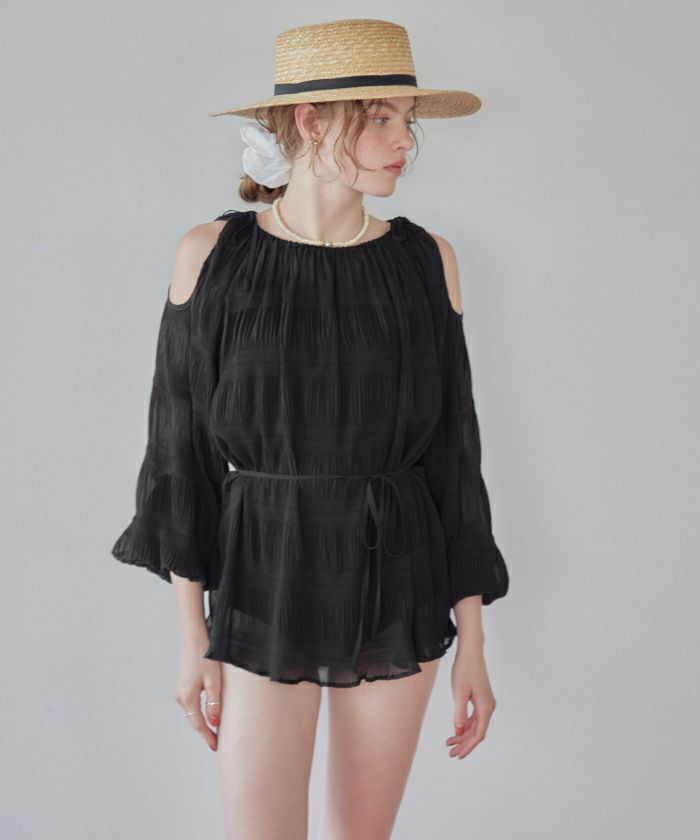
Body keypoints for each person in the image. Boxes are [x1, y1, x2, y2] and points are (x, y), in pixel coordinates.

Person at [110, 18, 510, 840]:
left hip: (398, 576)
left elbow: (455, 457)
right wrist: (192, 640)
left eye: (408, 120)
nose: (405, 142)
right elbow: (179, 457)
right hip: (263, 574)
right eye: (383, 118)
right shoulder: (212, 255)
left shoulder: (426, 260)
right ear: (311, 120)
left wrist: (473, 638)